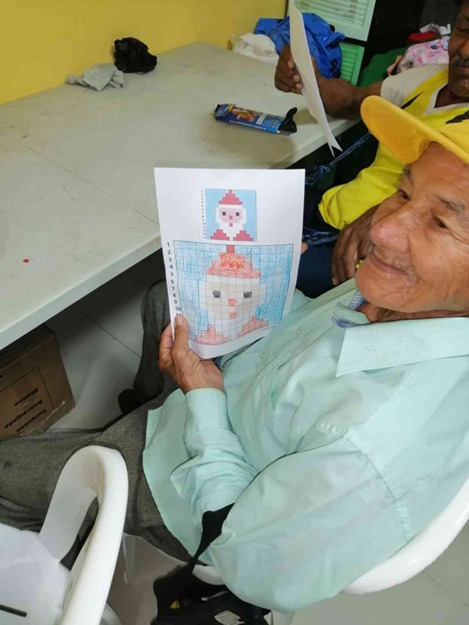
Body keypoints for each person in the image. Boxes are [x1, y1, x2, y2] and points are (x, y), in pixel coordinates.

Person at [3, 95, 469, 613]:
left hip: (200, 493)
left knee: (6, 476)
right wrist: (268, 280)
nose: (381, 228)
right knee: (164, 301)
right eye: (403, 191)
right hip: (245, 398)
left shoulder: (369, 448)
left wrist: (202, 400)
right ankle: (149, 403)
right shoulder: (407, 295)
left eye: (441, 223)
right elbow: (310, 332)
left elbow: (249, 565)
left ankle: (73, 550)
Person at [275, 0, 469, 296]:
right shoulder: (430, 77)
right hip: (331, 208)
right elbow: (354, 100)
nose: (465, 50)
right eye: (465, 29)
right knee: (235, 203)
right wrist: (308, 77)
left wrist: (389, 214)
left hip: (365, 253)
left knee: (240, 261)